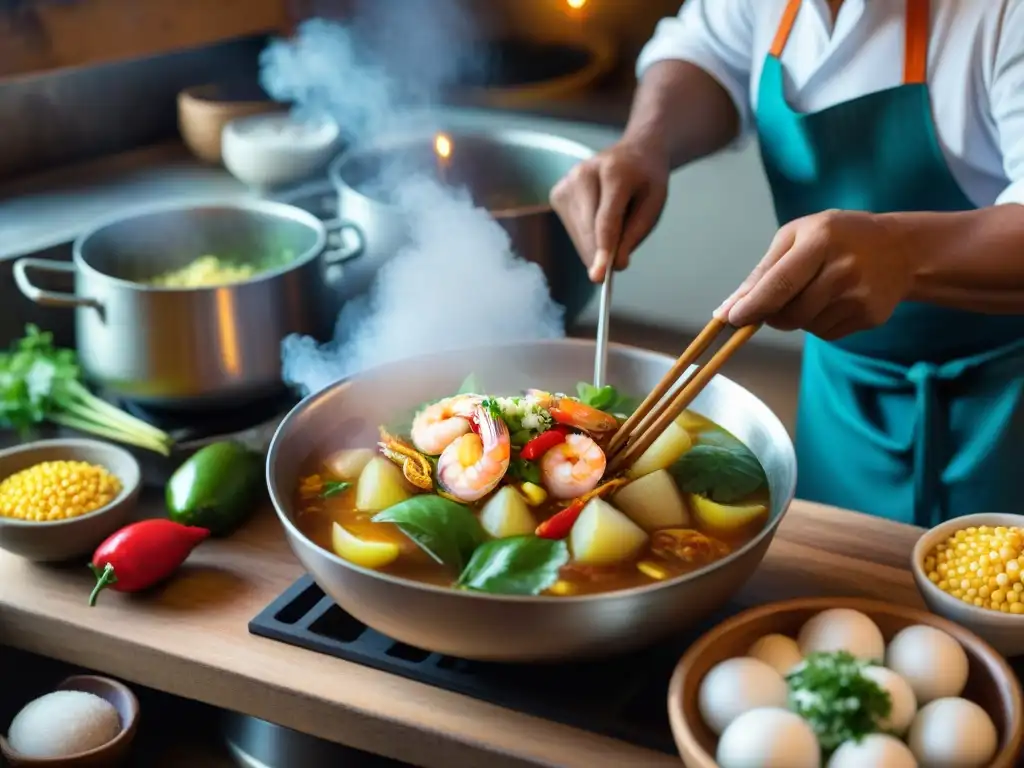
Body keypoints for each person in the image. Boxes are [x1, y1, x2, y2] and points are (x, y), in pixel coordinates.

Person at [550, 0, 1024, 527]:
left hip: (1003, 407)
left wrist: (905, 252)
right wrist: (645, 143)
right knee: (833, 572)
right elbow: (706, 51)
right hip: (839, 390)